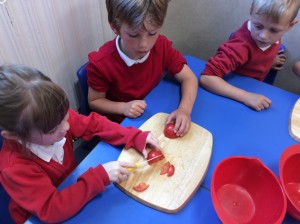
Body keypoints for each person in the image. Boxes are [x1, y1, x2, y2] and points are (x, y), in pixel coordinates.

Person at [0, 64, 161, 223]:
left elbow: (94, 124)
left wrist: (132, 136)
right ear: (14, 136)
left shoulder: (52, 118)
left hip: (71, 187)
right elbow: (51, 208)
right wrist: (99, 177)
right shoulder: (14, 168)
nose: (67, 126)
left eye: (66, 116)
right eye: (53, 130)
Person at [87, 0, 198, 137]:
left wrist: (184, 109)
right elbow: (94, 101)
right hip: (124, 126)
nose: (144, 45)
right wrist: (123, 107)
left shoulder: (161, 46)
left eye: (152, 33)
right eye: (134, 35)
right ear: (115, 27)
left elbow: (189, 77)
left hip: (155, 111)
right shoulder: (101, 63)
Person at [199, 0, 299, 111]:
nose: (263, 36)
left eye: (274, 30)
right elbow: (207, 78)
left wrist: (268, 61)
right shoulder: (240, 47)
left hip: (255, 85)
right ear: (250, 13)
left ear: (290, 26)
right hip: (236, 93)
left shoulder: (269, 31)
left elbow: (258, 53)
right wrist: (247, 97)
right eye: (258, 26)